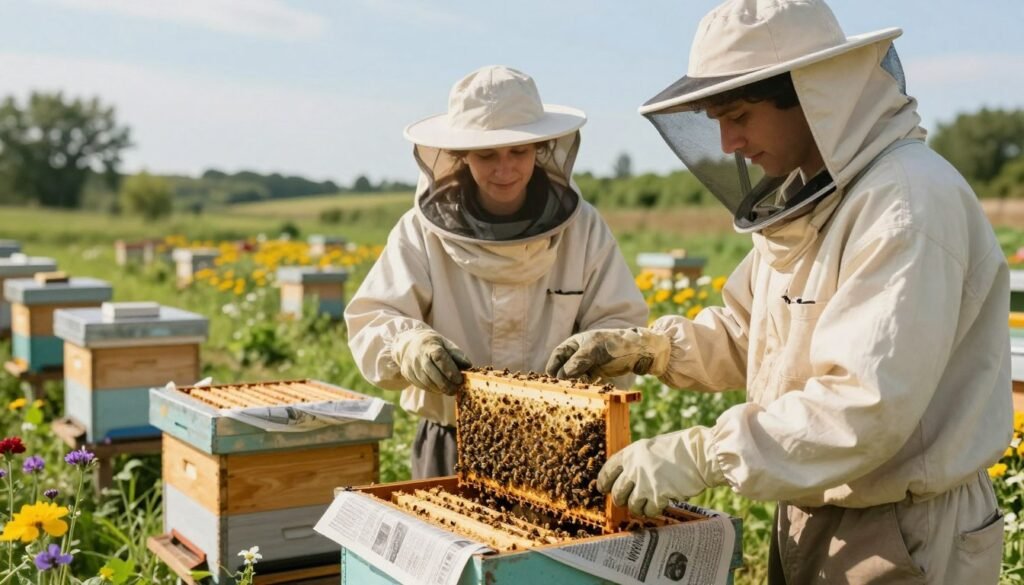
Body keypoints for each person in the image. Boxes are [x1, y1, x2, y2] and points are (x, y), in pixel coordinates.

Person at [545, 1, 1012, 582]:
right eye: (716, 118)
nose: (726, 142)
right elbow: (753, 329)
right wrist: (653, 349)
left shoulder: (904, 204)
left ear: (815, 96)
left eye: (738, 114)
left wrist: (700, 453)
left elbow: (864, 406)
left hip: (906, 530)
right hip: (812, 507)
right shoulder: (811, 199)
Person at [346, 65, 647, 480]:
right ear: (460, 156)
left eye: (518, 152)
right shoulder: (419, 231)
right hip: (452, 439)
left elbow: (620, 319)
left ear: (540, 148)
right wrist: (406, 344)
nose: (504, 169)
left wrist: (603, 347)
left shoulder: (584, 228)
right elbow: (372, 320)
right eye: (487, 155)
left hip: (561, 442)